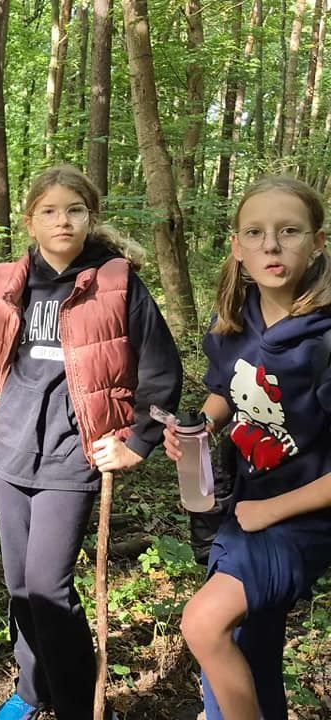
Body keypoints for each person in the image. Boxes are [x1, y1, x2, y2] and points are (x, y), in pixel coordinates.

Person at [0, 165, 182, 720]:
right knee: (18, 585)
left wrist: (138, 440)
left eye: (75, 210)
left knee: (48, 588)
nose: (63, 221)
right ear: (30, 221)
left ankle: (81, 707)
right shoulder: (9, 279)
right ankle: (34, 691)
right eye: (50, 211)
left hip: (74, 452)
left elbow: (161, 368)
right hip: (12, 449)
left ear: (91, 216)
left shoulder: (117, 282)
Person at [164, 176, 331, 720]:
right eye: (255, 233)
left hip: (301, 517)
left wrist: (271, 511)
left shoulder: (325, 341)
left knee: (205, 623)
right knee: (251, 645)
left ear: (318, 242)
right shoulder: (234, 322)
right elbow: (226, 388)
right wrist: (201, 428)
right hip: (243, 505)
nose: (271, 246)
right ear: (236, 246)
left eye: (289, 231)